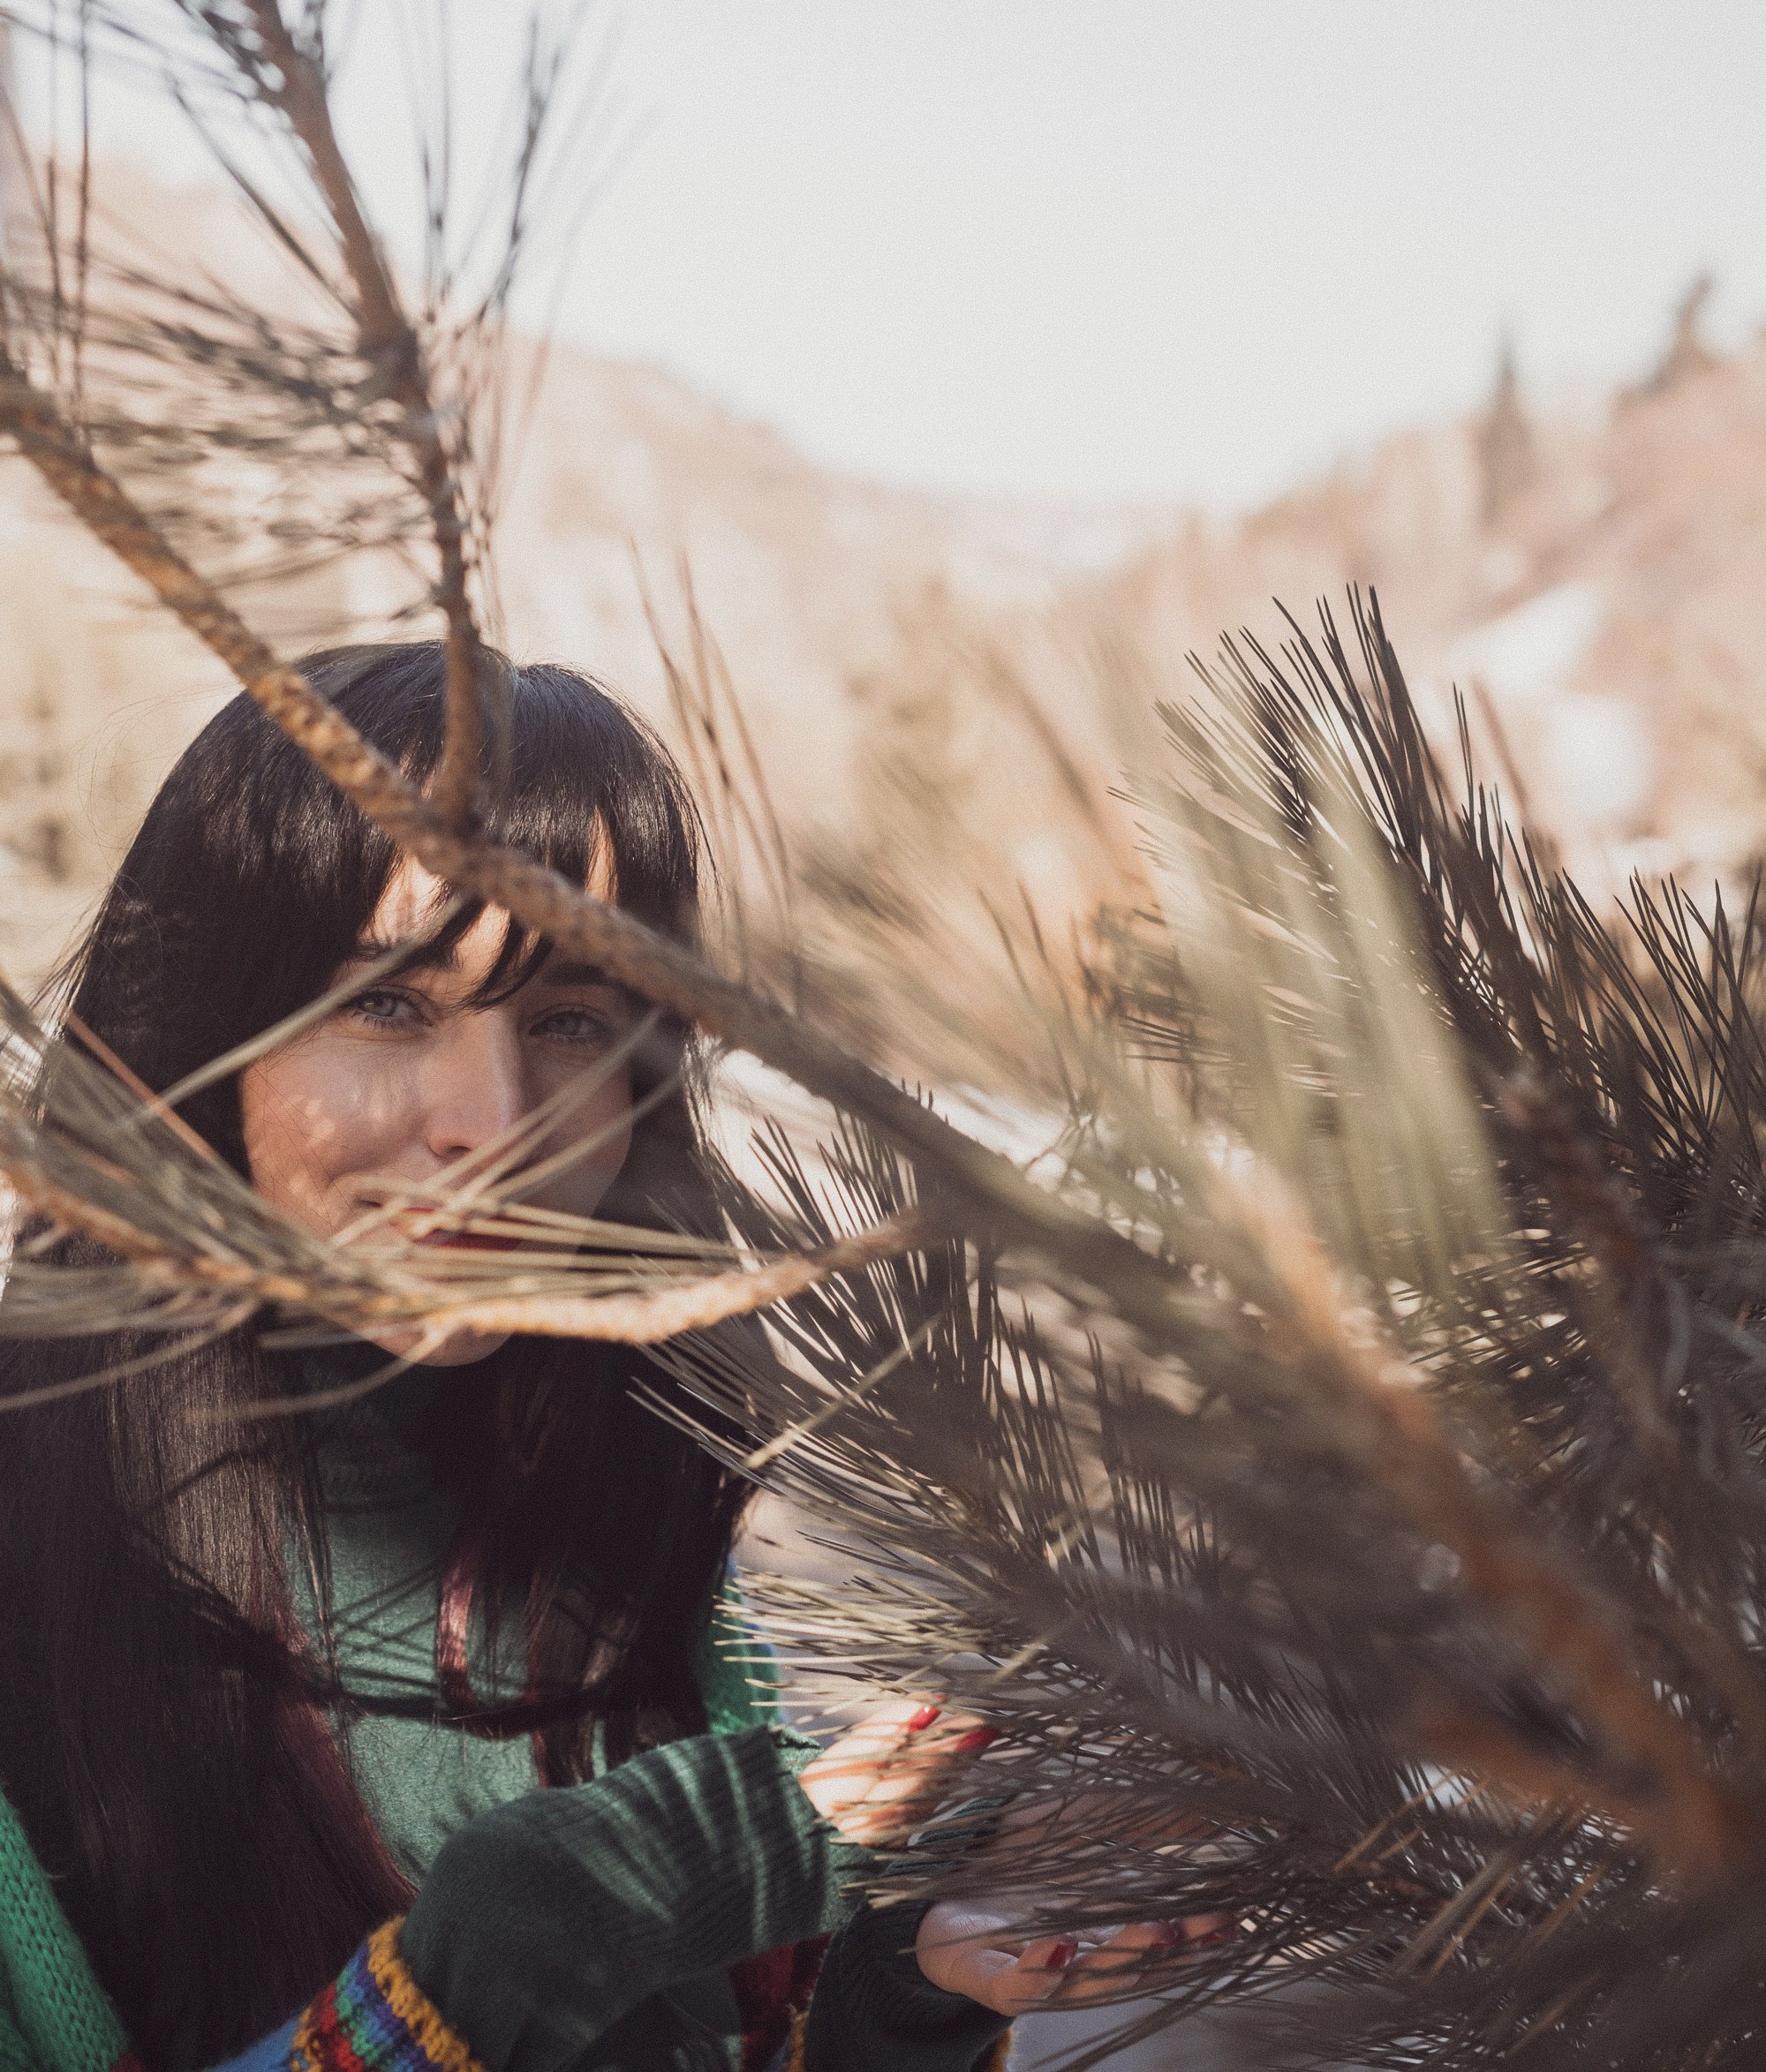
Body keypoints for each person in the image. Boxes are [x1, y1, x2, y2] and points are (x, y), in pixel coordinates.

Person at [0, 643, 1134, 2072]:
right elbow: (547, 1933)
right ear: (203, 1038)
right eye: (389, 1003)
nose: (499, 1123)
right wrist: (511, 1942)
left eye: (570, 1022)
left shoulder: (631, 1489)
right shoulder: (29, 1551)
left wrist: (895, 2009)